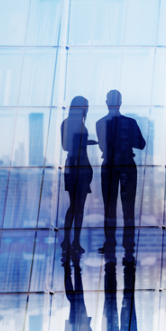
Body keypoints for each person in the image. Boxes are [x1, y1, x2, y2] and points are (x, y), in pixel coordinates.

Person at [96, 90, 146, 235]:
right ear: (120, 103)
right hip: (127, 164)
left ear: (107, 103)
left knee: (109, 206)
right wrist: (125, 139)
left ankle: (109, 240)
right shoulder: (130, 123)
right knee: (128, 206)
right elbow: (141, 144)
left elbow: (102, 146)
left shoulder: (100, 123)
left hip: (109, 165)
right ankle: (129, 241)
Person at [61, 96, 97, 254]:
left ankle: (71, 240)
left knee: (77, 206)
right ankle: (71, 240)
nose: (87, 109)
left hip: (79, 165)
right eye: (86, 106)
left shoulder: (71, 122)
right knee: (76, 206)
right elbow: (67, 145)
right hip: (77, 166)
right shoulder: (70, 123)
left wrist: (85, 142)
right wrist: (84, 142)